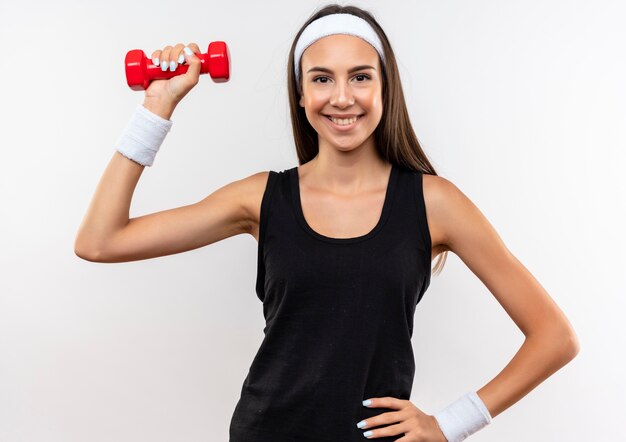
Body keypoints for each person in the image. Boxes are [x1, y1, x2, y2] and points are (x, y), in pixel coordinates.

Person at [74, 4, 580, 441]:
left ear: (385, 89)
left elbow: (554, 336)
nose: (342, 97)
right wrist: (157, 106)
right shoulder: (261, 196)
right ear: (300, 93)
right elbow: (101, 240)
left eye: (360, 76)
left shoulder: (434, 202)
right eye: (322, 78)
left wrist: (447, 425)